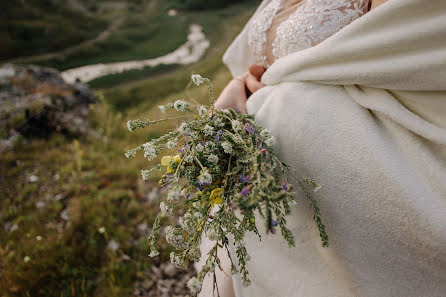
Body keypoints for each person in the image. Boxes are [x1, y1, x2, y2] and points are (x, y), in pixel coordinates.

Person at [197, 0, 446, 296]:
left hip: (344, 163)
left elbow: (402, 56)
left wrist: (283, 96)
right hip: (271, 171)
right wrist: (241, 83)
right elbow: (267, 55)